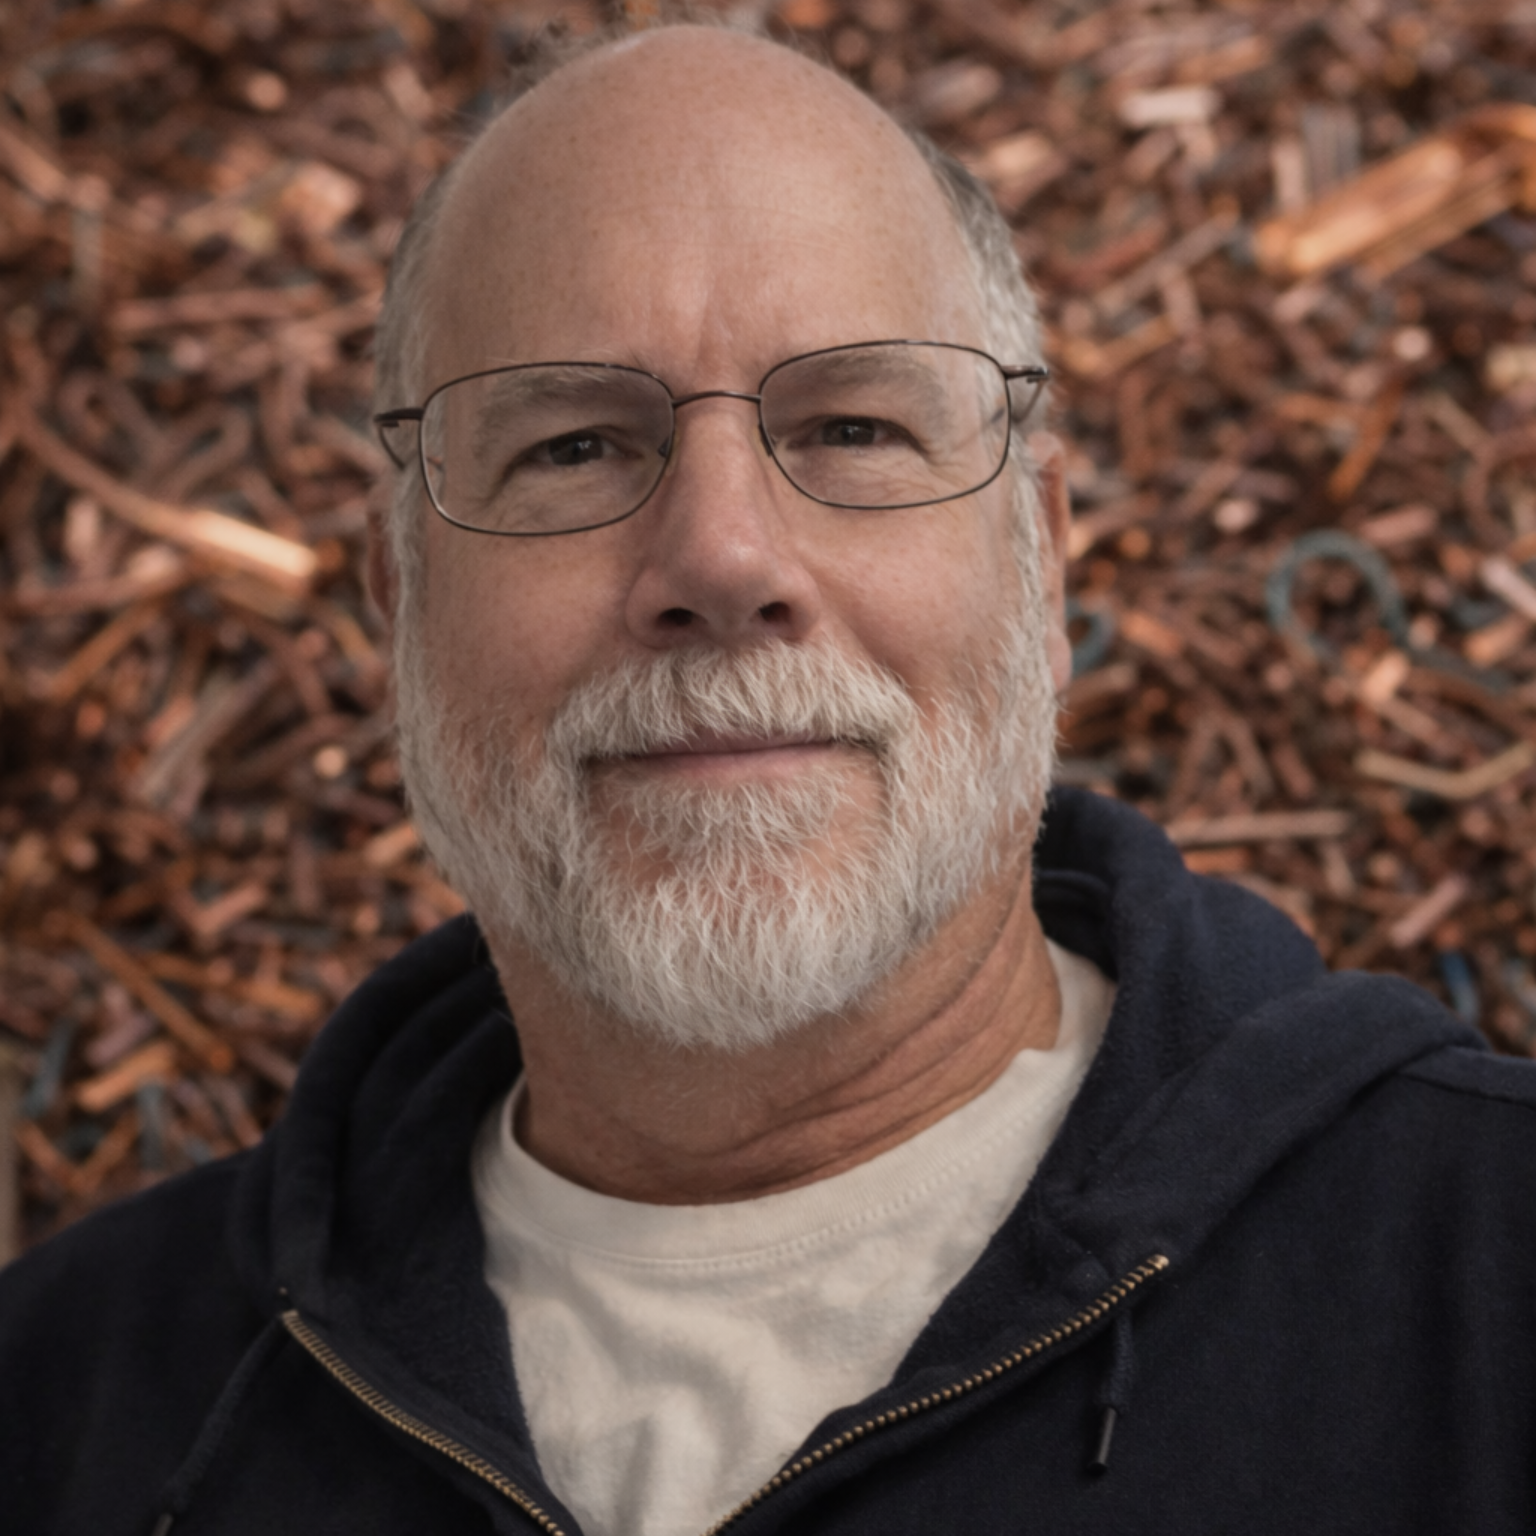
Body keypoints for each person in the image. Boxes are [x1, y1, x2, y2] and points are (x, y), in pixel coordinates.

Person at [3, 19, 1534, 1536]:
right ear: (397, 603)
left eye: (855, 426)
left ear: (1040, 558)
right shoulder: (66, 1404)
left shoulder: (1490, 1285)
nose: (725, 558)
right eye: (574, 449)